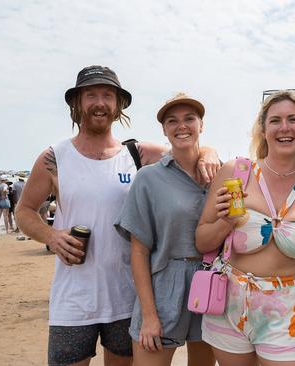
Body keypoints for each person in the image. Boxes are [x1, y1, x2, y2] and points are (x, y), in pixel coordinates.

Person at [15, 65, 219, 366]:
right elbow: (24, 211)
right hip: (73, 300)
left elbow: (185, 145)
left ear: (118, 104)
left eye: (108, 96)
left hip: (127, 299)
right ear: (77, 103)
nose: (100, 102)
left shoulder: (138, 154)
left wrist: (210, 152)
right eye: (91, 95)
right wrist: (52, 236)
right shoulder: (54, 157)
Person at [196, 90, 295, 365]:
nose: (285, 128)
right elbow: (202, 241)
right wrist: (226, 222)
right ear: (263, 130)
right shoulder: (236, 171)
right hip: (230, 303)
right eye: (275, 120)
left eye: (293, 119)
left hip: (287, 309)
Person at [115, 92, 215, 366]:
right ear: (164, 129)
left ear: (201, 125)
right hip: (164, 289)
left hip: (211, 284)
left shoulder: (219, 174)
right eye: (172, 121)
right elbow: (138, 251)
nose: (181, 126)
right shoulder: (148, 178)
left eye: (189, 118)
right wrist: (148, 315)